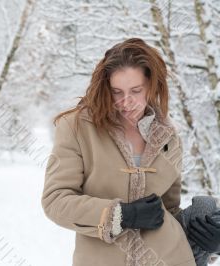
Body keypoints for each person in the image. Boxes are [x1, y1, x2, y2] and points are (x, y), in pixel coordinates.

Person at [40, 38, 220, 266]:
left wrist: (209, 241)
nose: (126, 101)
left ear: (152, 85)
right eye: (116, 92)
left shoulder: (167, 135)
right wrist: (119, 215)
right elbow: (56, 201)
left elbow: (168, 211)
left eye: (136, 90)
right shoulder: (77, 127)